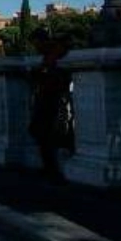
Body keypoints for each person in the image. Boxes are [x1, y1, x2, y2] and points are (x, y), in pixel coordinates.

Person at [28, 28, 72, 183]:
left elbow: (53, 73)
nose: (34, 47)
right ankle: (50, 166)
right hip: (48, 96)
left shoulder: (53, 52)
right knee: (42, 131)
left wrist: (41, 72)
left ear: (40, 40)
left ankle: (52, 167)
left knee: (44, 131)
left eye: (35, 43)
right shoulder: (49, 53)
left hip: (52, 97)